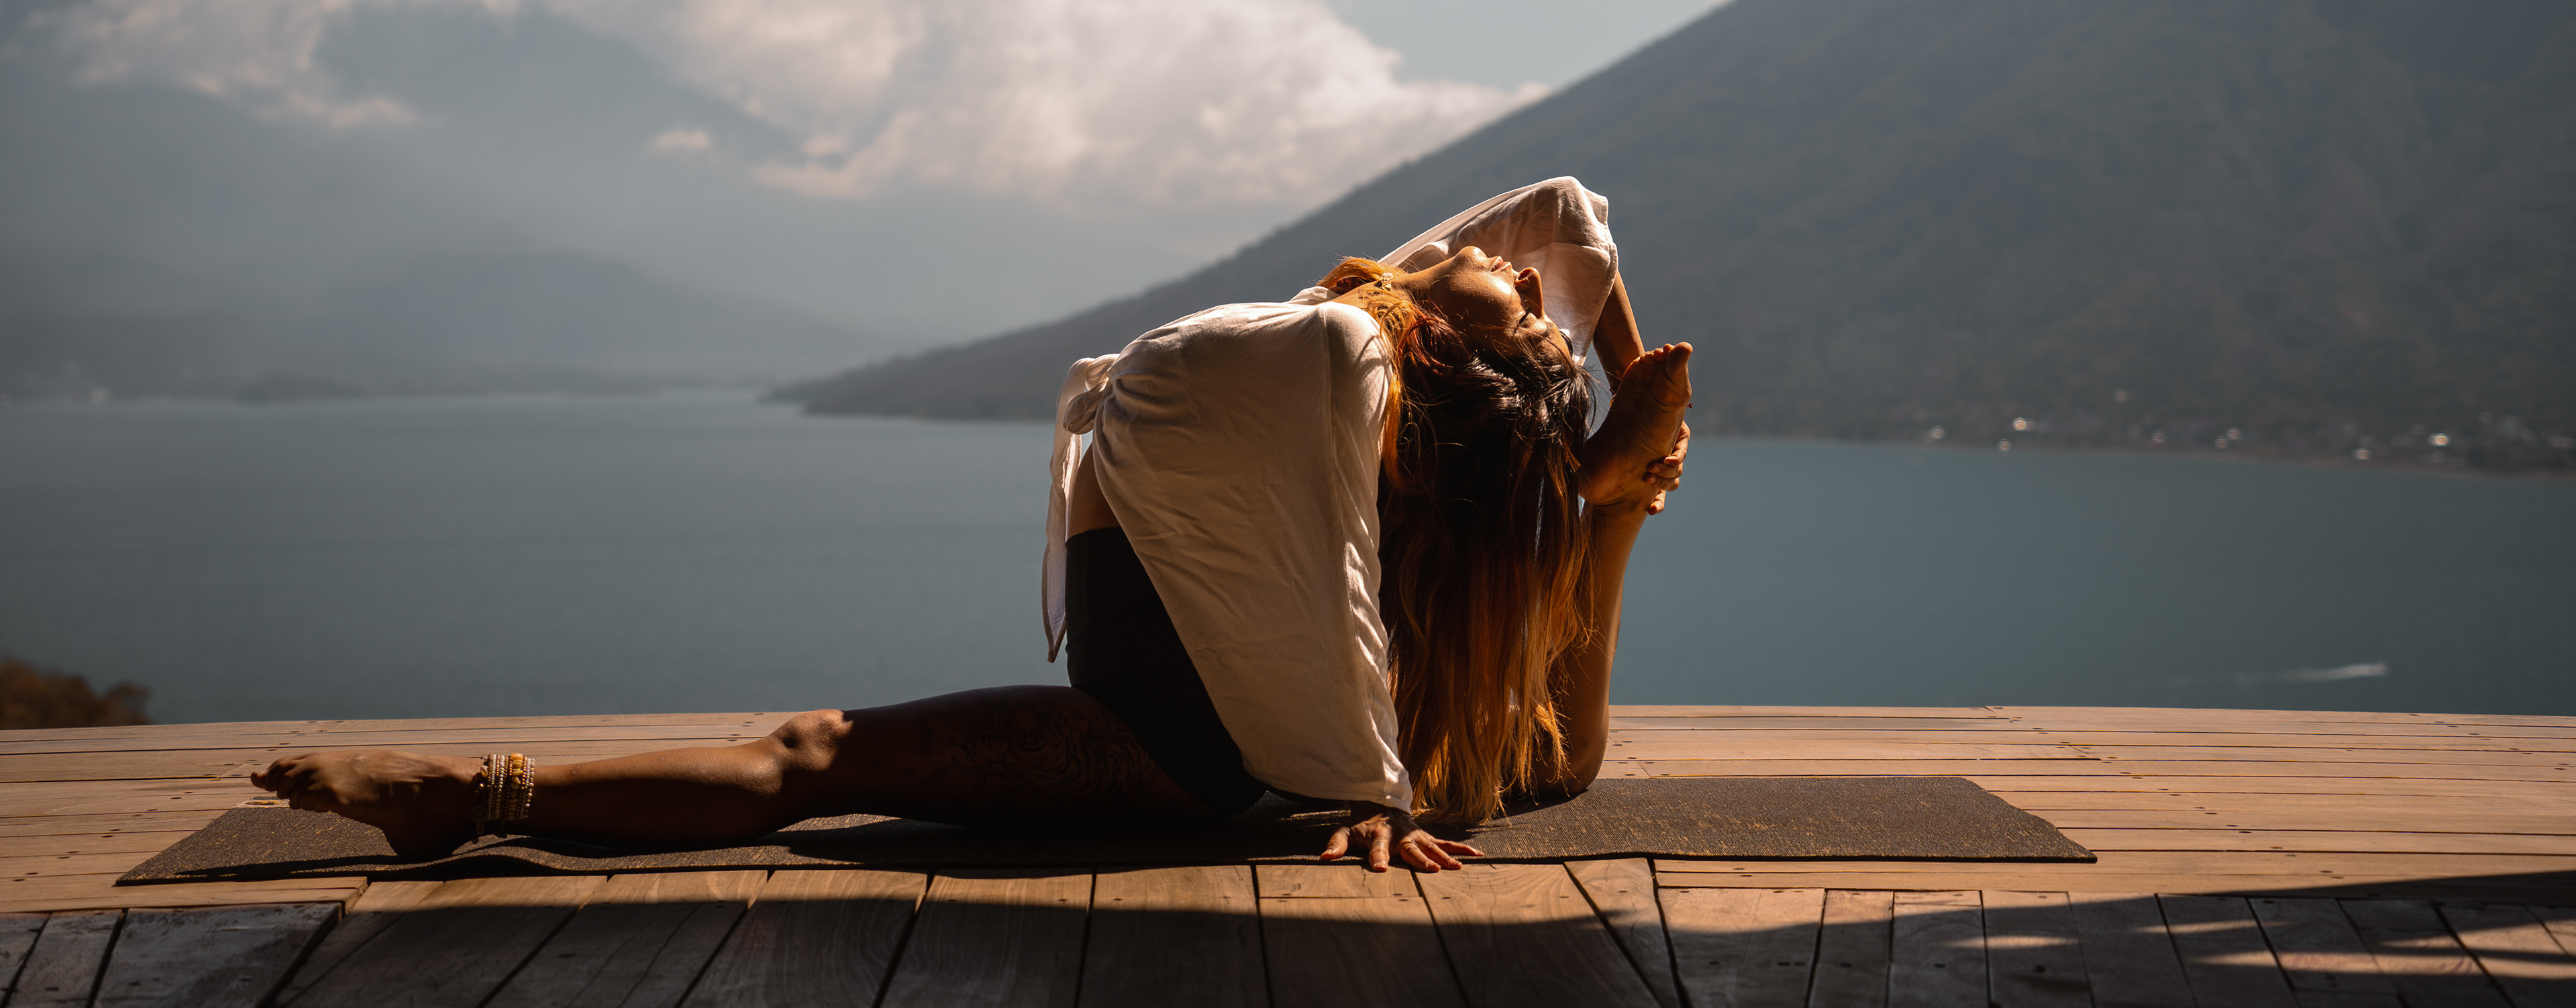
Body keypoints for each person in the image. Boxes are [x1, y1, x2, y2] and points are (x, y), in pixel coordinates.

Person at [254, 178, 1694, 874]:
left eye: (1502, 287)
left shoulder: (1332, 357)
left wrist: (1374, 788)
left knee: (815, 756)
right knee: (808, 756)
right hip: (1221, 698)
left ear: (1447, 356)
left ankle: (472, 793)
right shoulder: (1367, 356)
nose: (1501, 256)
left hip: (1183, 749)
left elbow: (1338, 596)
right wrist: (1615, 391)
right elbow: (1569, 206)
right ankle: (472, 797)